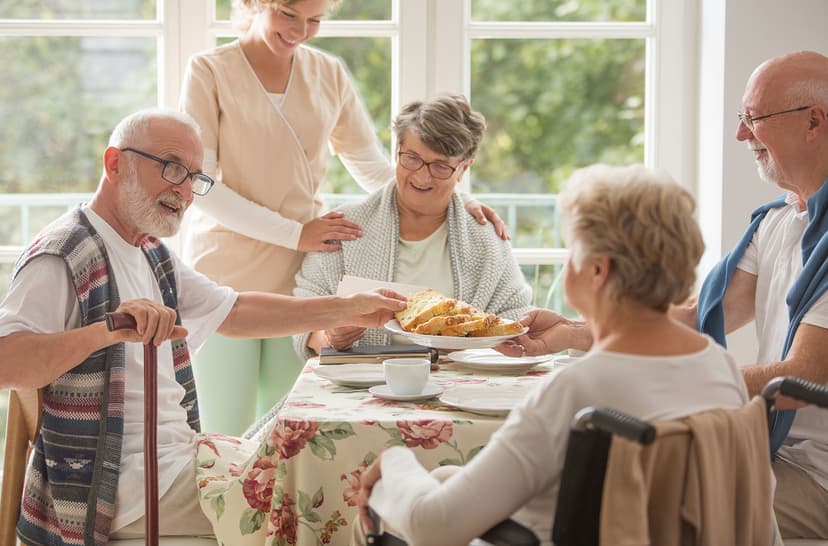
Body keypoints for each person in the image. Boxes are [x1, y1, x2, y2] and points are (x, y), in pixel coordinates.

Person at [0, 108, 407, 545]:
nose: (184, 191)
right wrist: (106, 331)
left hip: (180, 459)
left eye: (194, 178)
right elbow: (8, 363)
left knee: (337, 472)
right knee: (323, 499)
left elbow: (234, 311)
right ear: (115, 163)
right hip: (122, 484)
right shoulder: (63, 252)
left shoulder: (149, 251)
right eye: (172, 168)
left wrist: (343, 309)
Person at [504, 51, 828, 541]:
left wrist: (666, 379)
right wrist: (570, 334)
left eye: (754, 118)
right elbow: (699, 316)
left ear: (814, 123)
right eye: (742, 118)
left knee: (619, 502)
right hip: (766, 449)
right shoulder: (780, 220)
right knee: (585, 487)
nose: (741, 134)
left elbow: (806, 375)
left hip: (817, 475)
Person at [352, 164, 754, 546]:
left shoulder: (577, 391)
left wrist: (393, 459)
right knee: (443, 477)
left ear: (598, 270)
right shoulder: (719, 367)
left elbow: (432, 527)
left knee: (388, 498)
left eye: (571, 252)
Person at [178, 0, 509, 434]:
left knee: (287, 430)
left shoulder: (327, 73)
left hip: (298, 277)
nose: (301, 30)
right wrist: (295, 233)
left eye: (315, 20)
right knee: (223, 429)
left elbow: (370, 164)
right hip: (227, 270)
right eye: (289, 15)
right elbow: (200, 182)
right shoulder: (209, 70)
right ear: (256, 4)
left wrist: (454, 199)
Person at [292, 94, 532, 359]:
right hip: (359, 386)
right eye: (412, 158)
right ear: (397, 150)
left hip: (457, 387)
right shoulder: (343, 229)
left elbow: (516, 317)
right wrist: (330, 336)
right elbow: (303, 317)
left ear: (463, 168)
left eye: (440, 166)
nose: (422, 176)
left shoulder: (485, 238)